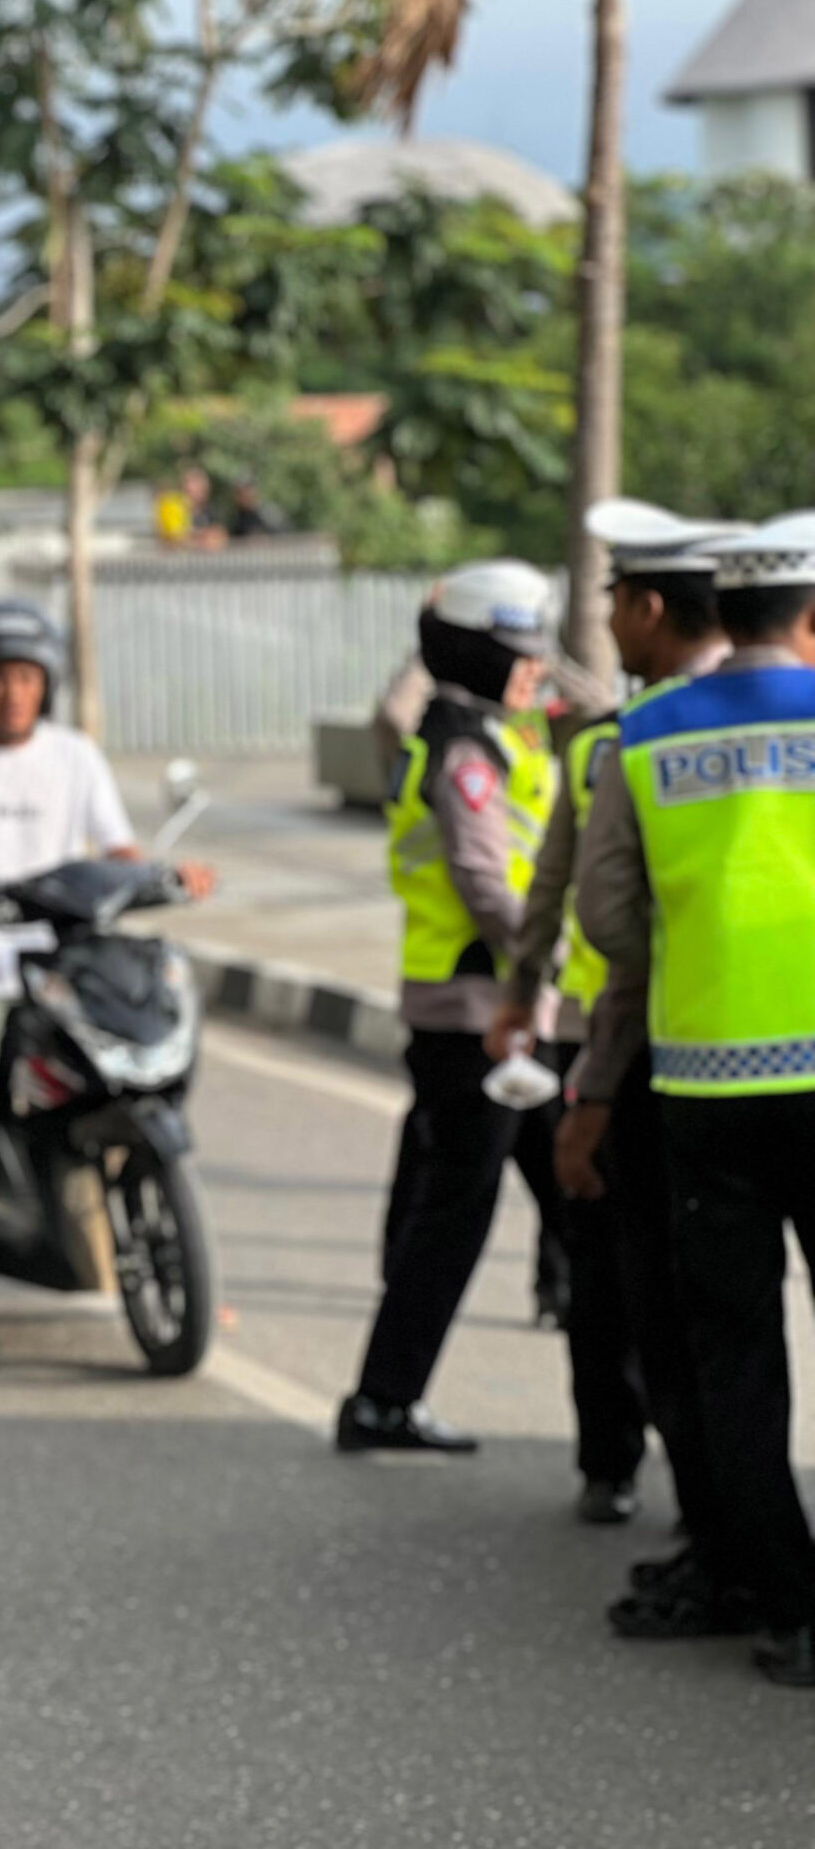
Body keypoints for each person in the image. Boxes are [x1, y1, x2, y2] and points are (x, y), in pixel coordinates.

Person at [578, 510, 815, 1688]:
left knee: (734, 1351)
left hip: (705, 1083)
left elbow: (608, 924)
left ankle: (783, 1598)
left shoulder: (640, 733)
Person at [0, 603, 210, 1358]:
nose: (12, 693)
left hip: (64, 958)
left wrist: (161, 874)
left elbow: (113, 846)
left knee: (140, 1068)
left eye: (25, 678)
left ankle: (184, 1265)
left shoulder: (73, 754)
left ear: (45, 684)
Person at [484, 502, 736, 1531]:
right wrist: (517, 994)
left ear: (645, 606)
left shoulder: (644, 738)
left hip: (648, 1046)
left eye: (615, 605)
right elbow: (550, 882)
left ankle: (692, 1497)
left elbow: (575, 901)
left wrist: (526, 1001)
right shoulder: (614, 736)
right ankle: (646, 1474)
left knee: (646, 1275)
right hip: (662, 1037)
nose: (608, 627)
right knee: (640, 1277)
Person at [337, 563, 561, 1453]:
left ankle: (625, 1417)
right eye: (520, 654)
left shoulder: (456, 732)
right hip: (483, 1012)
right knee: (456, 1217)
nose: (535, 670)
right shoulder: (467, 751)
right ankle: (382, 1402)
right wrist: (539, 963)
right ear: (479, 654)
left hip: (475, 1008)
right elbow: (480, 875)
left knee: (572, 1204)